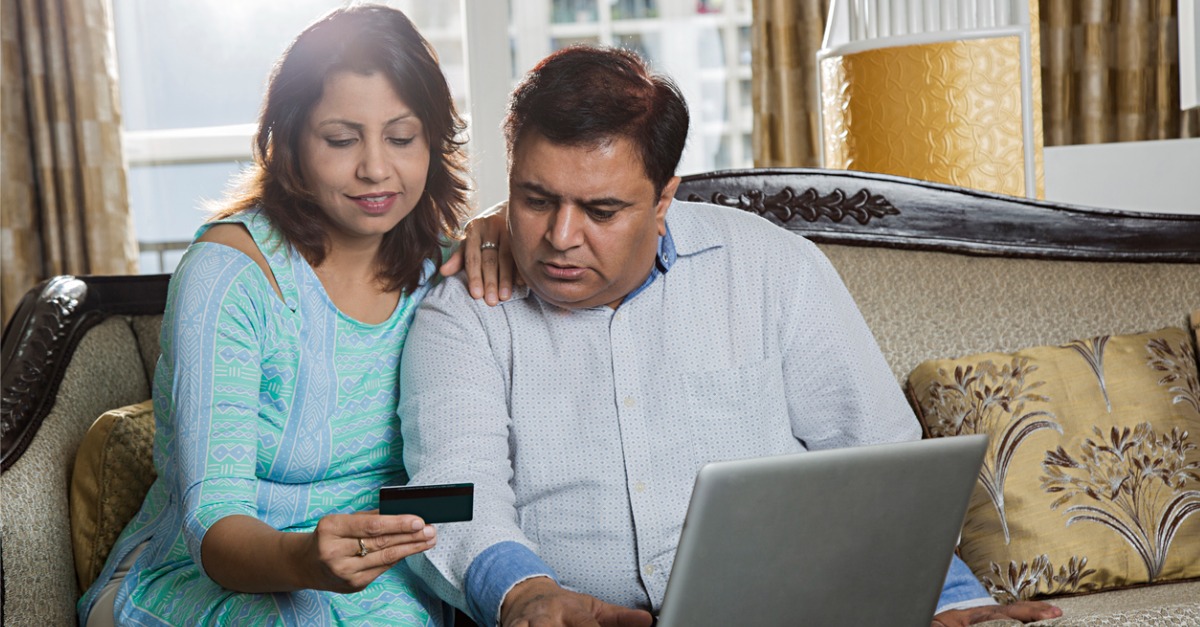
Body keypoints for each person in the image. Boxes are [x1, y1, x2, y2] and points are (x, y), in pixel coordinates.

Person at [398, 46, 1064, 627]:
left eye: (602, 209)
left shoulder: (773, 267)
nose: (561, 236)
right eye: (535, 199)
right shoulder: (463, 308)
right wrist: (520, 592)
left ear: (664, 201)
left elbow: (877, 455)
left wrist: (940, 592)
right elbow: (447, 491)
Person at [77, 6, 510, 626]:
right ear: (289, 142)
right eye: (340, 139)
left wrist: (504, 229)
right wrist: (305, 559)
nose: (375, 168)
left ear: (435, 142)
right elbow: (212, 522)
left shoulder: (447, 273)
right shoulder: (229, 277)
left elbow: (471, 472)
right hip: (203, 570)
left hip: (382, 574)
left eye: (401, 137)